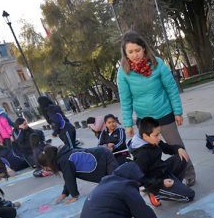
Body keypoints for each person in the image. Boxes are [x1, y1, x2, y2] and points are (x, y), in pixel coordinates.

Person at [116, 31, 196, 186]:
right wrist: (128, 124)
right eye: (130, 52)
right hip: (144, 121)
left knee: (176, 146)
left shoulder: (157, 63)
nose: (135, 55)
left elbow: (171, 89)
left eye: (137, 50)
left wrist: (177, 112)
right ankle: (155, 182)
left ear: (144, 49)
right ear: (125, 54)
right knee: (146, 155)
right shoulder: (123, 72)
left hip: (164, 113)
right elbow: (125, 99)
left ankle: (189, 173)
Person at [130, 117, 194, 207]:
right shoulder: (141, 154)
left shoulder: (153, 140)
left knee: (181, 157)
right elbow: (141, 178)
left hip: (162, 170)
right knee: (189, 195)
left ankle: (173, 187)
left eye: (159, 134)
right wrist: (161, 183)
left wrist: (178, 148)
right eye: (156, 135)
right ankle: (155, 193)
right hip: (155, 182)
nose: (159, 138)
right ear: (145, 136)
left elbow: (167, 148)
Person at [37, 145, 117, 204]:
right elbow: (67, 177)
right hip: (101, 155)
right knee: (111, 184)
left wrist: (74, 196)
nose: (46, 170)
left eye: (46, 167)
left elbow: (69, 178)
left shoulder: (64, 161)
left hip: (104, 156)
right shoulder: (62, 158)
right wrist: (64, 193)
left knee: (116, 183)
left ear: (49, 163)